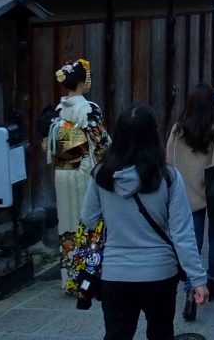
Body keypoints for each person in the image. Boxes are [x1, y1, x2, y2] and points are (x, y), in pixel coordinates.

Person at [82, 105, 207, 340]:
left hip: (115, 272)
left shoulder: (101, 175)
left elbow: (88, 219)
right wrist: (197, 279)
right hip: (160, 272)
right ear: (154, 135)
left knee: (117, 334)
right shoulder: (168, 178)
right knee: (160, 333)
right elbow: (182, 234)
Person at [166, 85, 214, 320]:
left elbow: (169, 160)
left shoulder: (178, 130)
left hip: (187, 191)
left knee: (193, 239)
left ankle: (191, 287)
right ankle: (212, 281)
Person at [47, 59, 111, 292]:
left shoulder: (60, 109)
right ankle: (88, 276)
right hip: (84, 170)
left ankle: (71, 279)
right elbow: (102, 143)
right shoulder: (88, 109)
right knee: (89, 220)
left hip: (64, 170)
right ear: (83, 82)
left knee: (68, 221)